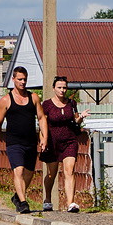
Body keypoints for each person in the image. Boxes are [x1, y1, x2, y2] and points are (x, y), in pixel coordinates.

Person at [0, 65, 45, 214]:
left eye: (24, 79)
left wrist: (44, 137)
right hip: (14, 142)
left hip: (30, 142)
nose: (22, 82)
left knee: (29, 173)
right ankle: (23, 202)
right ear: (13, 80)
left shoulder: (33, 97)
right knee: (18, 171)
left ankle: (16, 196)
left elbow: (41, 117)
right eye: (19, 79)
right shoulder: (6, 100)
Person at [40, 75, 88, 213]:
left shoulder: (71, 103)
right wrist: (43, 140)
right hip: (52, 141)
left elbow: (75, 122)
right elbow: (43, 123)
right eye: (59, 87)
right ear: (54, 88)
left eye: (64, 88)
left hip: (69, 140)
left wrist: (81, 118)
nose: (62, 90)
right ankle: (48, 200)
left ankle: (71, 203)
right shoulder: (47, 105)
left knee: (69, 171)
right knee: (52, 174)